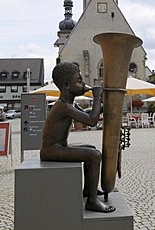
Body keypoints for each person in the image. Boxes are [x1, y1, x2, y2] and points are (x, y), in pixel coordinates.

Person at [40, 62, 115, 213]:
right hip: (51, 151)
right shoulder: (64, 106)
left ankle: (88, 190)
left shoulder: (68, 103)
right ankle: (92, 201)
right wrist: (97, 96)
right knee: (94, 156)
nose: (83, 85)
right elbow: (92, 121)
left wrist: (105, 104)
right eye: (79, 81)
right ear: (67, 85)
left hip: (59, 147)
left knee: (91, 149)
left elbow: (88, 115)